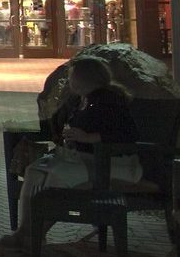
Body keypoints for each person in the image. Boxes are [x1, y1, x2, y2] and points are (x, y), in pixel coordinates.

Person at [13, 56, 140, 245]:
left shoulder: (110, 100)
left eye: (72, 76)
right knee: (34, 171)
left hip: (109, 162)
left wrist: (89, 137)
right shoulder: (77, 100)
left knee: (56, 177)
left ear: (83, 78)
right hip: (77, 157)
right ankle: (24, 231)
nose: (69, 80)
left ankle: (36, 234)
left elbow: (128, 134)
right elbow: (55, 123)